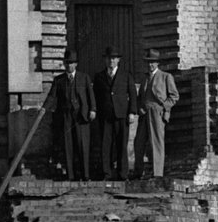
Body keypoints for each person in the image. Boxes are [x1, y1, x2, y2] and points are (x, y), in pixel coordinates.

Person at [135, 48, 180, 179]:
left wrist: (164, 107)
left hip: (157, 112)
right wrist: (140, 108)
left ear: (157, 63)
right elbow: (140, 97)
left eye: (152, 62)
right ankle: (138, 172)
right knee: (138, 143)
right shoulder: (144, 78)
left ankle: (157, 174)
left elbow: (174, 96)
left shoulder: (165, 77)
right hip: (144, 113)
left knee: (156, 143)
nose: (150, 65)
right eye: (148, 62)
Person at [49, 49, 94, 179]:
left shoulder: (84, 77)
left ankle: (85, 175)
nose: (69, 65)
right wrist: (43, 109)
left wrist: (93, 109)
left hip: (82, 116)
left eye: (72, 63)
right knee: (68, 146)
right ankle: (71, 176)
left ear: (76, 64)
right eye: (67, 63)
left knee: (83, 146)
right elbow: (52, 97)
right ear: (64, 64)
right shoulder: (59, 80)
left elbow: (90, 95)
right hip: (66, 116)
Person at [89, 47, 134, 180]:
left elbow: (132, 94)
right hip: (105, 116)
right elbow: (95, 96)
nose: (111, 61)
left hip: (122, 115)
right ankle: (106, 173)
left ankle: (122, 174)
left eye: (114, 58)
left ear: (118, 60)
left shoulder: (126, 75)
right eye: (109, 58)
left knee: (121, 145)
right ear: (105, 60)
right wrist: (95, 110)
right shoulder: (99, 76)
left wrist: (132, 112)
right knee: (105, 145)